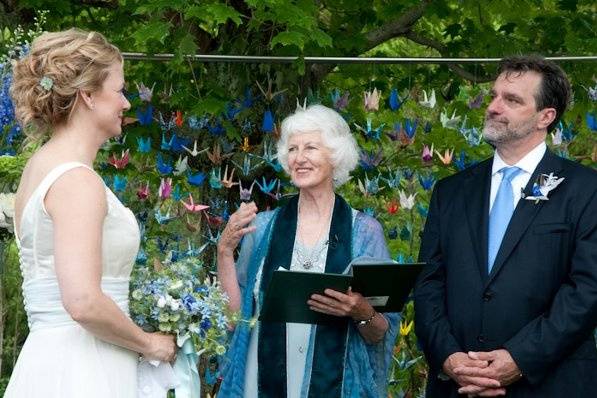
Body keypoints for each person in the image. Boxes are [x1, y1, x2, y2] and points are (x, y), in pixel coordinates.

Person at [5, 29, 176, 398]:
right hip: (84, 367)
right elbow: (83, 302)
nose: (126, 103)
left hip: (51, 360)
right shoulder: (76, 181)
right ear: (87, 95)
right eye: (119, 90)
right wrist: (149, 342)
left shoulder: (41, 166)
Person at [414, 55, 597, 397]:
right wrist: (450, 357)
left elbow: (587, 290)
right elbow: (428, 283)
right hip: (458, 384)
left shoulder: (585, 190)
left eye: (512, 100)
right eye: (494, 96)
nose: (494, 107)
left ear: (546, 116)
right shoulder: (451, 191)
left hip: (550, 383)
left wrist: (520, 358)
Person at [216, 104, 399, 397]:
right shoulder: (262, 227)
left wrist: (360, 310)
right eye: (292, 149)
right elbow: (233, 318)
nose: (299, 158)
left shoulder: (365, 232)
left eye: (311, 148)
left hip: (336, 383)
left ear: (335, 156)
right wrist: (224, 252)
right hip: (260, 378)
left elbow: (379, 333)